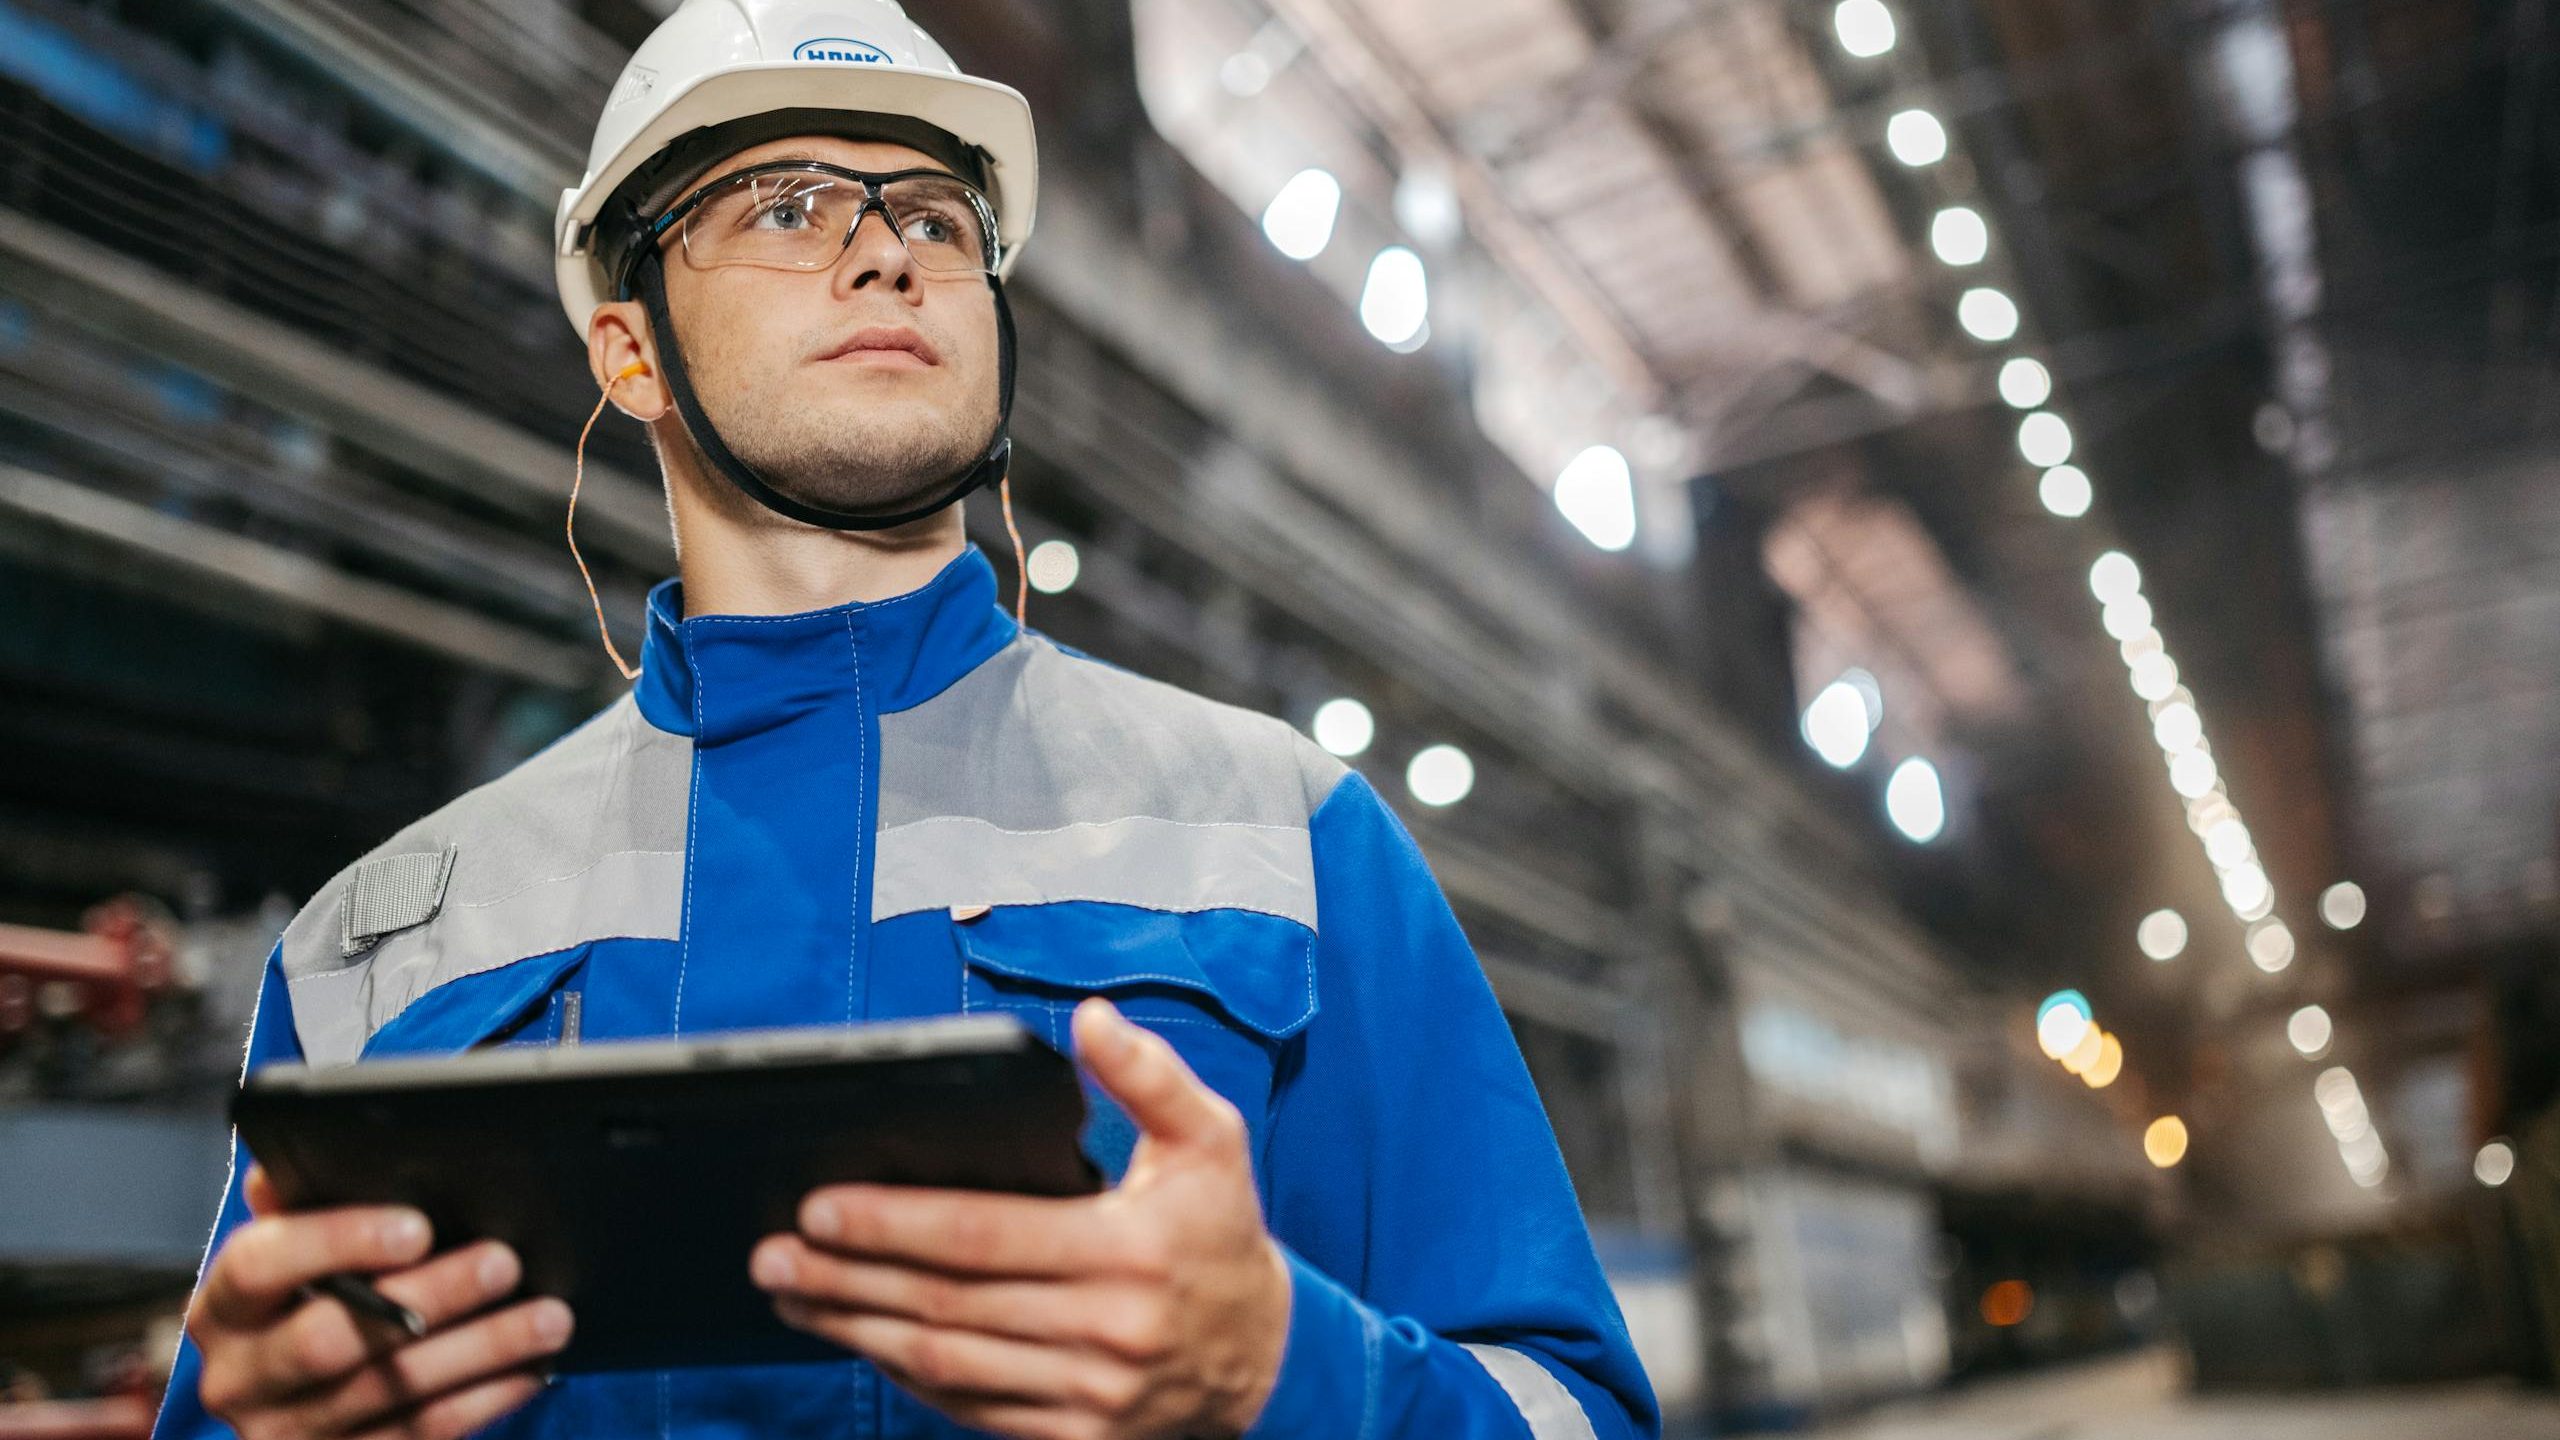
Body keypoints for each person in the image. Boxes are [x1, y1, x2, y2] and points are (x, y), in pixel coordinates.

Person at [150, 2, 1658, 1437]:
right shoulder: (376, 950)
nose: (889, 260)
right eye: (788, 208)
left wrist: (1286, 1370)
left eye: (937, 219)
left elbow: (1573, 1411)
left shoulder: (1288, 837)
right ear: (627, 349)